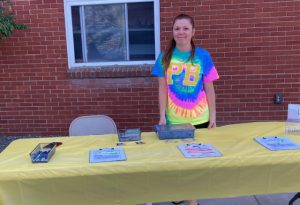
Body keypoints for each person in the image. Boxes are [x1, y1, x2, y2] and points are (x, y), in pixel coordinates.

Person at [149, 13, 220, 205]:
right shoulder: (164, 57)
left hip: (200, 118)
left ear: (193, 32)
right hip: (175, 120)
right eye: (177, 28)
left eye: (185, 28)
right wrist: (162, 116)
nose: (181, 32)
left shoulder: (203, 56)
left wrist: (213, 114)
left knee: (195, 162)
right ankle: (183, 192)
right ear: (172, 32)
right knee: (177, 160)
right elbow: (162, 88)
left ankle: (191, 199)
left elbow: (209, 88)